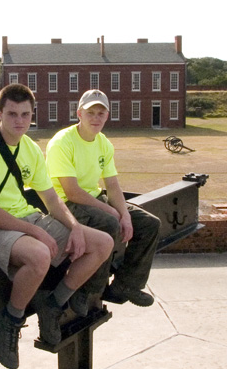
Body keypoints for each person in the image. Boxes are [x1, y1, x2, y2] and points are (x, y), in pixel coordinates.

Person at [0, 83, 113, 369]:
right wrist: (36, 231)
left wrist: (75, 226)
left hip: (28, 218)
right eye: (12, 114)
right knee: (41, 255)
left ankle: (53, 304)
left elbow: (52, 199)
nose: (19, 121)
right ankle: (10, 318)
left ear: (32, 114)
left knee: (102, 244)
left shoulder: (29, 148)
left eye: (25, 114)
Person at [46, 89, 161, 313]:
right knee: (109, 224)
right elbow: (71, 192)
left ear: (107, 116)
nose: (96, 118)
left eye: (101, 113)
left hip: (94, 198)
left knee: (149, 224)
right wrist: (112, 213)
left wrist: (125, 214)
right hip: (65, 205)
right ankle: (88, 291)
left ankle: (126, 285)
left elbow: (113, 186)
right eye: (91, 112)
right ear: (79, 113)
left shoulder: (103, 143)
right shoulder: (62, 142)